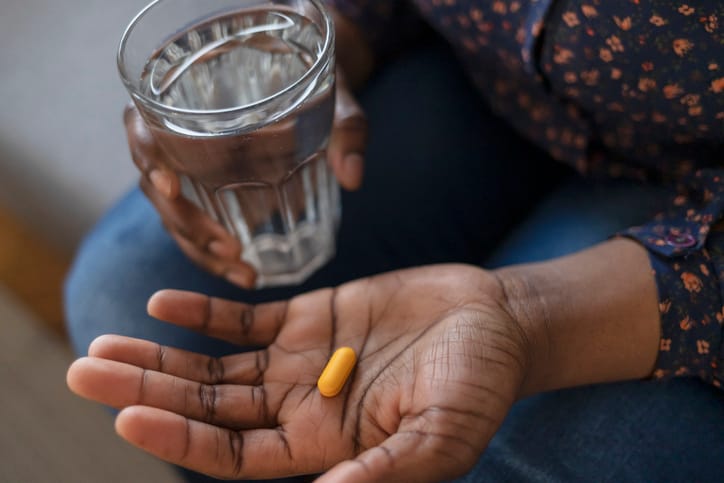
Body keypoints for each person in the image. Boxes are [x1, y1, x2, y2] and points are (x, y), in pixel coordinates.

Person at [65, 1, 724, 482]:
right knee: (129, 292)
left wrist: (531, 320)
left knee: (515, 450)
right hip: (478, 71)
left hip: (696, 197)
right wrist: (325, 46)